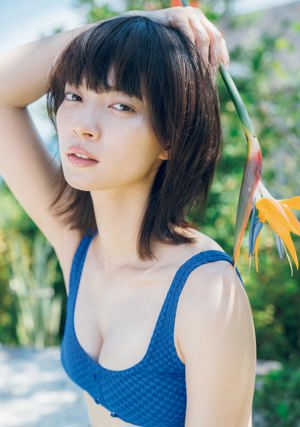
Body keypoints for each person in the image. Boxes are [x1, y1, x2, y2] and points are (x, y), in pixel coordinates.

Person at [0, 6, 256, 427]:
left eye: (121, 106)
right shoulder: (78, 243)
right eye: (74, 95)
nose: (83, 126)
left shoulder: (205, 294)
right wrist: (135, 23)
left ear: (171, 138)